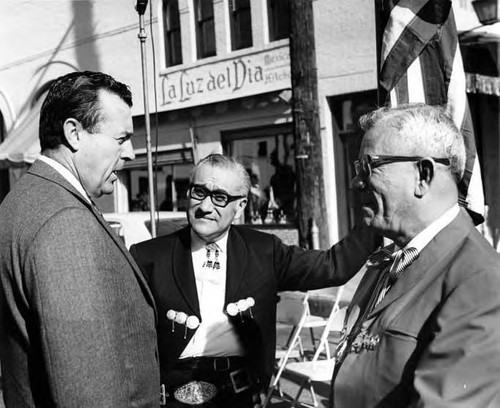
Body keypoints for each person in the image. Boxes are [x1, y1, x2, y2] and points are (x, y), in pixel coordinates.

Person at [129, 153, 379, 407]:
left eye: (219, 197)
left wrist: (374, 218)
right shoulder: (149, 256)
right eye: (198, 192)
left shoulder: (264, 251)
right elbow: (126, 340)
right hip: (172, 399)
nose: (205, 207)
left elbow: (332, 267)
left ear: (240, 206)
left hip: (239, 397)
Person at [0, 71, 160, 407]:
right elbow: (88, 390)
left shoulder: (26, 200)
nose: (131, 153)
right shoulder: (64, 222)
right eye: (121, 138)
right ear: (74, 133)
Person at [331, 103, 500, 407]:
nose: (355, 183)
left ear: (423, 174)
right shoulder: (386, 262)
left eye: (369, 167)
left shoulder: (481, 280)